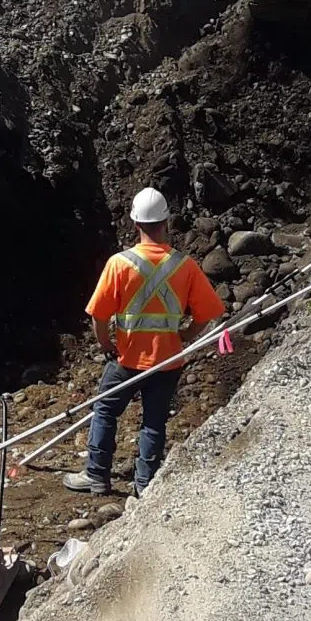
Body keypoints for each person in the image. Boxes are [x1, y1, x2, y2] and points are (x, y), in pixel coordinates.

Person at [65, 188, 225, 499]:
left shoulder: (119, 263)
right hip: (167, 362)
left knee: (106, 410)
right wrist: (187, 336)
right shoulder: (185, 266)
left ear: (136, 223)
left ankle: (97, 474)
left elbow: (98, 315)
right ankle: (145, 484)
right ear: (165, 221)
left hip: (126, 359)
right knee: (154, 423)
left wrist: (104, 343)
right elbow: (208, 312)